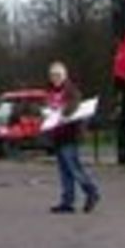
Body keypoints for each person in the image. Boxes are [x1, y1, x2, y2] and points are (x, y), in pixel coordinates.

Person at [46, 62, 101, 214]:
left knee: (74, 168)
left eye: (58, 75)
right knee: (64, 171)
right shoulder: (49, 91)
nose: (55, 78)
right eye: (52, 75)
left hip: (70, 134)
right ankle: (67, 202)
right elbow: (46, 108)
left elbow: (73, 106)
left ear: (64, 76)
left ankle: (91, 191)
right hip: (57, 134)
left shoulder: (71, 90)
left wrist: (61, 111)